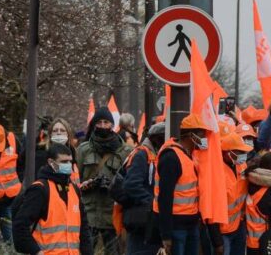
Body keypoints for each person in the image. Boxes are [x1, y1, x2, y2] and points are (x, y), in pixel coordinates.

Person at [12, 143, 94, 254]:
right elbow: (20, 226)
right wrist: (36, 251)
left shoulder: (74, 189)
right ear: (51, 162)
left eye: (70, 161)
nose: (68, 165)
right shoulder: (40, 189)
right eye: (64, 162)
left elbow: (84, 229)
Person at [77, 107, 133, 253]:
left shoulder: (125, 151)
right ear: (94, 124)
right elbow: (74, 180)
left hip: (112, 216)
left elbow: (130, 184)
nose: (102, 126)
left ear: (112, 125)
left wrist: (114, 186)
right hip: (89, 215)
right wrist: (86, 184)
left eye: (106, 122)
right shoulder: (83, 150)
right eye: (99, 122)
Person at [153, 115, 210, 255]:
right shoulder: (171, 158)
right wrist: (166, 235)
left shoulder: (189, 155)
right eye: (201, 134)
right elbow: (164, 198)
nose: (204, 138)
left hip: (190, 225)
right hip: (176, 227)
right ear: (191, 135)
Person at [121, 122, 164, 255]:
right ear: (157, 139)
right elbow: (131, 185)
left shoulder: (153, 154)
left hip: (148, 218)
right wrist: (151, 202)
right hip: (141, 220)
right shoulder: (141, 154)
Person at [221, 132, 253, 255]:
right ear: (227, 152)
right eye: (239, 152)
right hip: (222, 230)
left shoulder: (242, 166)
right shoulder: (217, 170)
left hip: (239, 224)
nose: (243, 155)